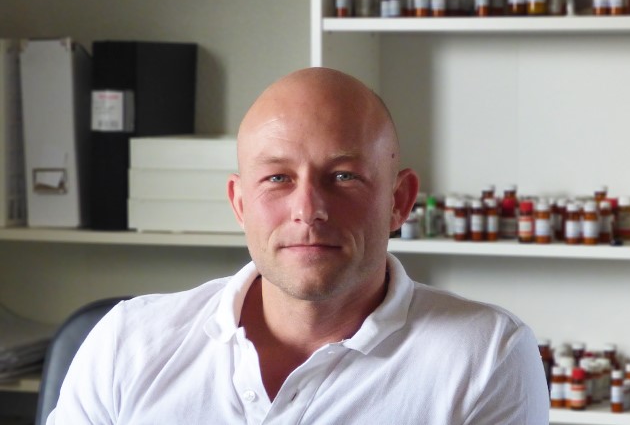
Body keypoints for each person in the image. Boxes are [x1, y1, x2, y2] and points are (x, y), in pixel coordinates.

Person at [48, 68, 549, 424]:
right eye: (278, 178)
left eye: (344, 176)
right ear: (240, 203)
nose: (308, 210)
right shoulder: (127, 343)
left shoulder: (486, 356)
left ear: (399, 201)